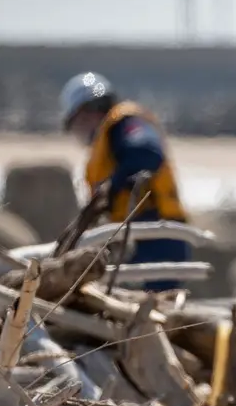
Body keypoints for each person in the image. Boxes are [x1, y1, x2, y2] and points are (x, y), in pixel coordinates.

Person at [59, 72, 191, 271]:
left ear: (87, 113)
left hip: (157, 232)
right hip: (139, 234)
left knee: (157, 297)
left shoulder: (124, 124)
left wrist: (111, 188)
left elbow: (147, 153)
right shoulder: (108, 140)